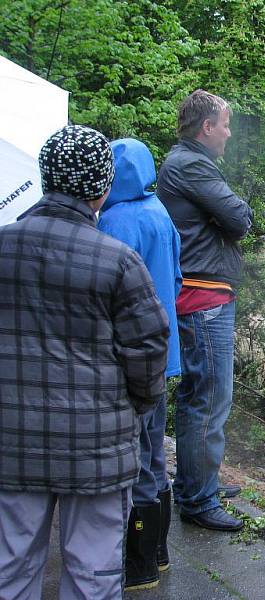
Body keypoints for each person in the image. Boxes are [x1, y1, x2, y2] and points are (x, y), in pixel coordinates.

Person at [0, 125, 169, 599]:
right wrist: (134, 409)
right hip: (96, 451)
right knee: (93, 576)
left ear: (44, 178)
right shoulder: (118, 261)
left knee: (9, 570)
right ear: (101, 188)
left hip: (12, 444)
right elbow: (148, 350)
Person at [157, 89, 253, 531]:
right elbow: (239, 219)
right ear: (206, 127)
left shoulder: (187, 163)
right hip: (203, 300)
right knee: (208, 401)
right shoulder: (191, 165)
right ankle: (198, 500)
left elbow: (227, 216)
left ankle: (198, 482)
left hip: (203, 295)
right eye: (226, 123)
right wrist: (225, 215)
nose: (230, 133)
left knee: (200, 397)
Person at [98, 138, 182, 590]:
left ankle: (138, 567)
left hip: (128, 357)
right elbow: (176, 279)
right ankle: (160, 553)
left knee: (137, 459)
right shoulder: (161, 214)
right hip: (163, 354)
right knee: (156, 453)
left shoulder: (114, 221)